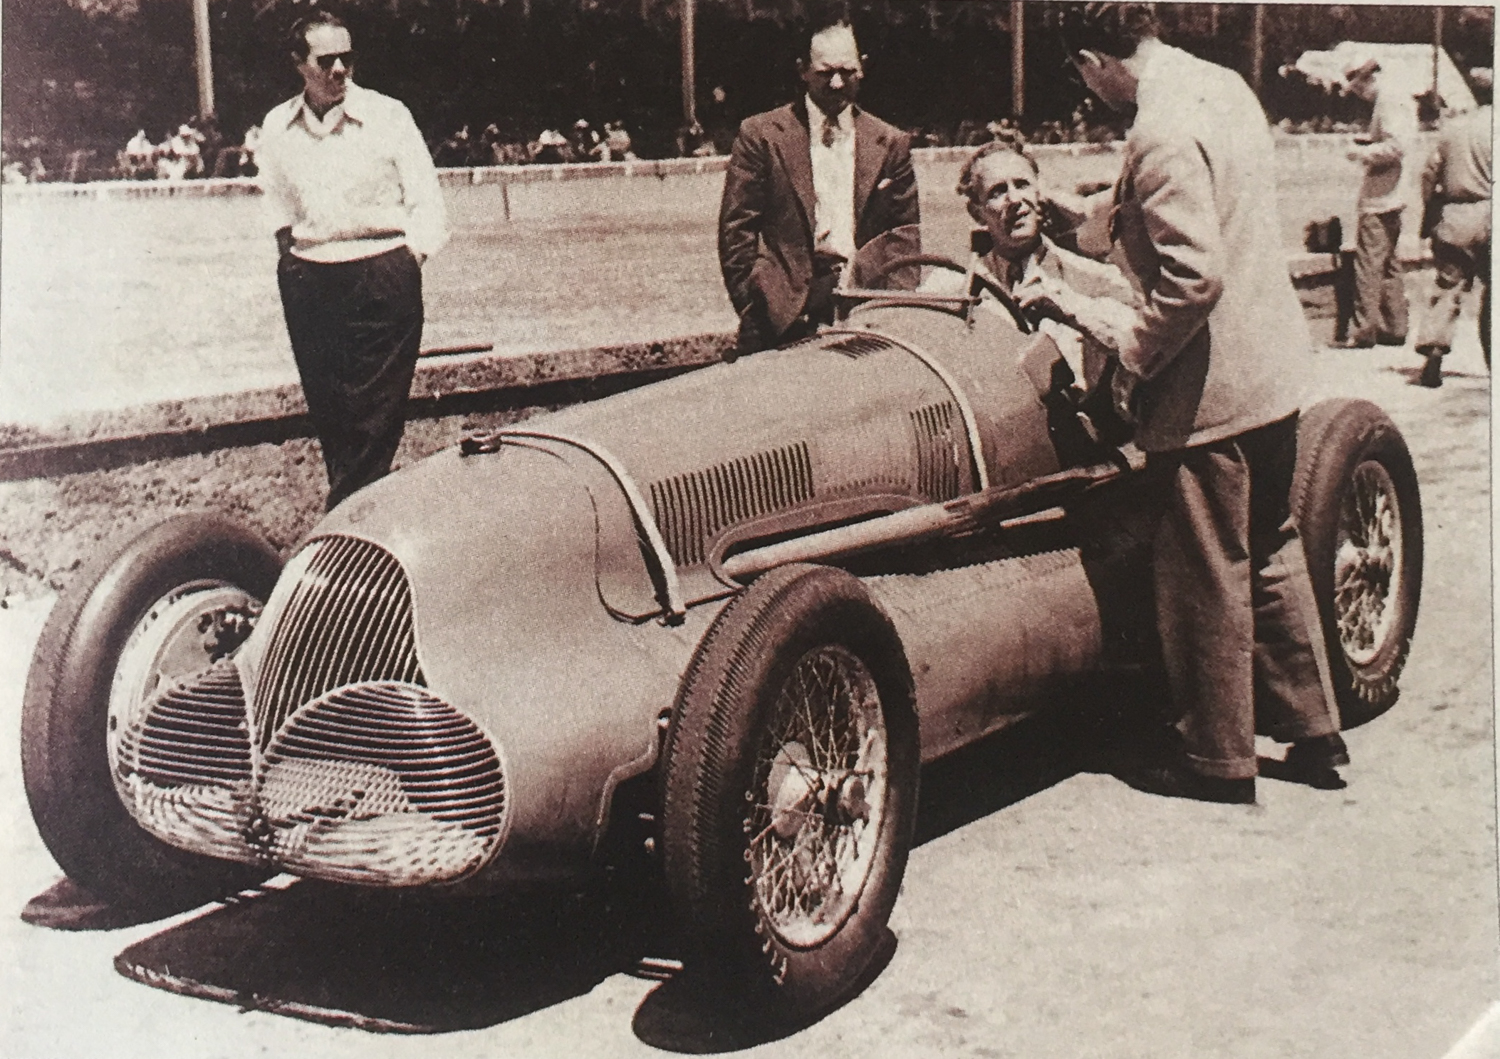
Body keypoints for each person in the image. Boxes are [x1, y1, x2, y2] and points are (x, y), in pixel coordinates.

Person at [1026, 2, 1345, 804]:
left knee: (1203, 571)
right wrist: (1088, 216)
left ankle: (1215, 759)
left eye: (1084, 79)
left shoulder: (1158, 128)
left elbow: (1193, 276)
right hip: (1271, 371)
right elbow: (1201, 201)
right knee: (1270, 549)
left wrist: (1134, 352)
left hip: (1212, 393)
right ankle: (1314, 732)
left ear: (1095, 62)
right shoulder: (1218, 85)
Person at [255, 11, 449, 510]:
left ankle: (338, 527)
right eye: (326, 60)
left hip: (381, 271)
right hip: (309, 278)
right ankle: (359, 522)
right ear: (300, 64)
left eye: (348, 57)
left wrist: (409, 258)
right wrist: (293, 260)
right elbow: (276, 203)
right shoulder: (277, 125)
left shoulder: (389, 115)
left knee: (374, 420)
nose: (340, 69)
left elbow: (427, 198)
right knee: (333, 416)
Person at [718, 18, 919, 357]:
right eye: (825, 73)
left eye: (848, 71)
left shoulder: (891, 143)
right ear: (802, 70)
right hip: (780, 322)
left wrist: (894, 314)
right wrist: (759, 306)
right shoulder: (762, 136)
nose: (837, 83)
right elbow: (737, 231)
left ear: (863, 68)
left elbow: (905, 237)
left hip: (866, 317)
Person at [1413, 68, 1492, 386]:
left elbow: (1428, 174)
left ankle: (1434, 353)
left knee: (1448, 287)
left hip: (1456, 214)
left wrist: (1430, 211)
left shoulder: (1453, 129)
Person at [1337, 54, 1417, 349]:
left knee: (1368, 264)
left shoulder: (1389, 100)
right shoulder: (1398, 97)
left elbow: (1396, 146)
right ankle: (1395, 327)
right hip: (1395, 194)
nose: (1360, 96)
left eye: (1359, 89)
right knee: (1389, 264)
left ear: (1368, 79)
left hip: (1381, 195)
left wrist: (1360, 154)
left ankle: (1362, 331)